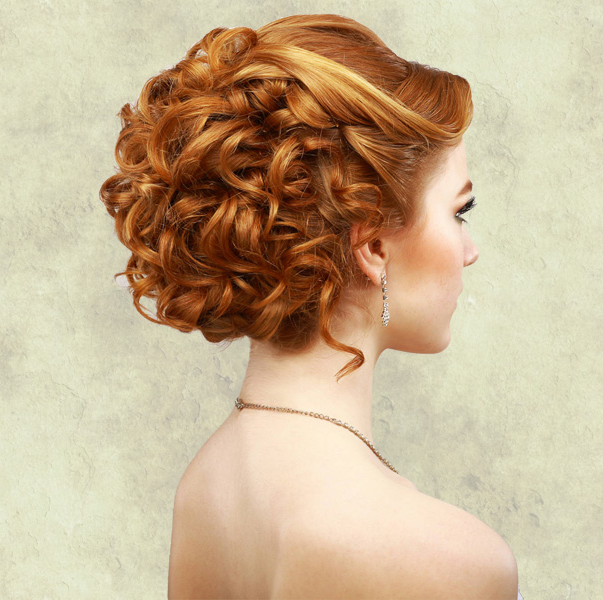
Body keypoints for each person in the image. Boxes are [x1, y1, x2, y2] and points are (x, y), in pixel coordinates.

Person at [100, 13, 523, 599]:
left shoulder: (207, 483)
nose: (469, 253)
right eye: (459, 212)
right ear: (374, 247)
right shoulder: (447, 557)